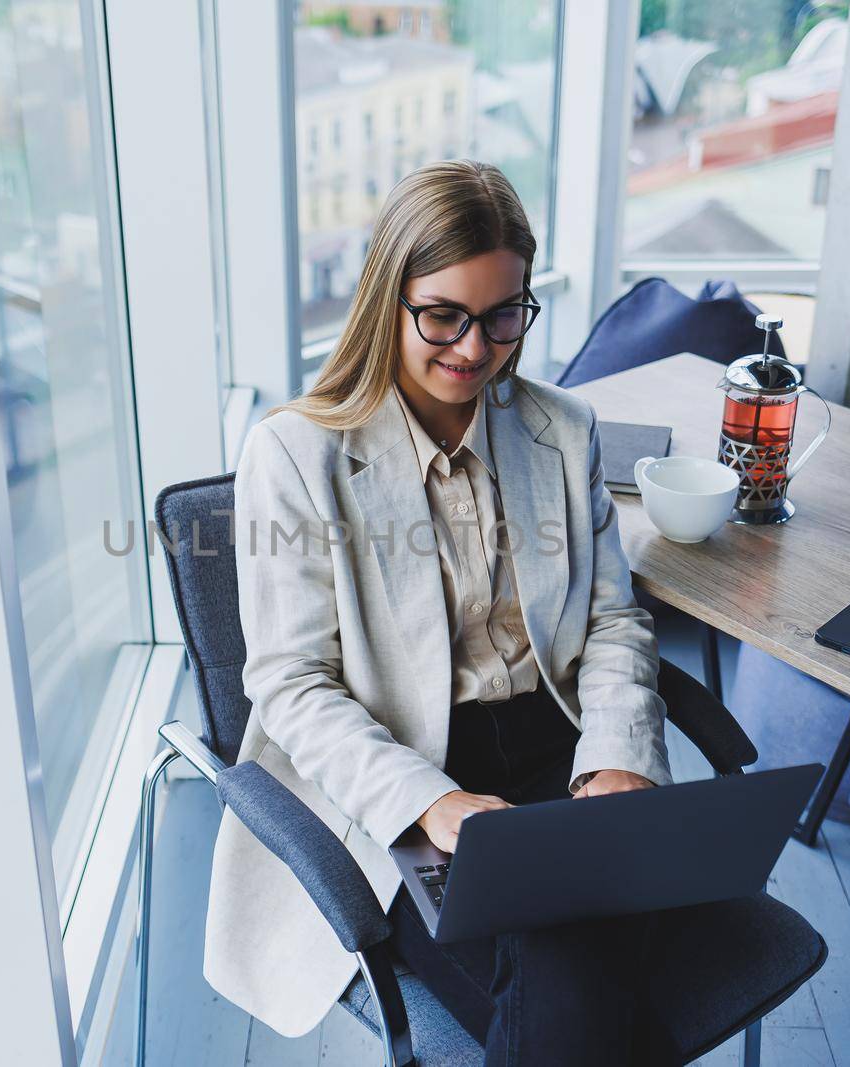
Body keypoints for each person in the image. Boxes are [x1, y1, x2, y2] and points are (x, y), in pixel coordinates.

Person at [203, 159, 673, 1065]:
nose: (475, 347)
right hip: (403, 768)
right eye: (443, 315)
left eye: (504, 315)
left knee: (575, 971)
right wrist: (434, 802)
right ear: (390, 299)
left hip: (560, 749)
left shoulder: (563, 429)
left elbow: (615, 622)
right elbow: (291, 686)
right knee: (584, 975)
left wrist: (617, 760)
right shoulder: (296, 454)